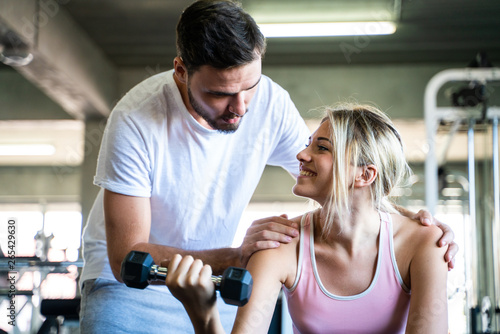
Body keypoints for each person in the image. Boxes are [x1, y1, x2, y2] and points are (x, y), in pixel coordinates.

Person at [79, 1, 456, 332]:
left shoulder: (270, 102)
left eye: (250, 87)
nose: (241, 107)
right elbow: (125, 256)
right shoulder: (135, 120)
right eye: (221, 93)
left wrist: (412, 224)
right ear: (181, 71)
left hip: (213, 281)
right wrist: (235, 257)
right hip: (131, 286)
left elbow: (337, 176)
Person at [165, 104, 449, 333]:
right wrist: (203, 316)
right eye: (308, 144)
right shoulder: (281, 244)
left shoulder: (423, 243)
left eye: (322, 147)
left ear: (365, 175)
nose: (301, 155)